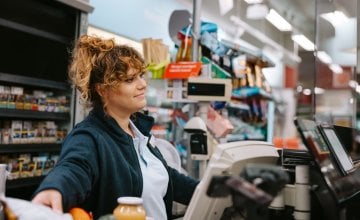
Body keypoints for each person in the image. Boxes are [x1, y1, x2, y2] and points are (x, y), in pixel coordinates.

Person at [31, 35, 199, 220]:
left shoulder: (139, 134)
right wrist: (55, 188)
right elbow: (74, 167)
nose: (142, 84)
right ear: (103, 90)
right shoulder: (89, 136)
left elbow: (167, 178)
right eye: (130, 79)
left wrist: (211, 190)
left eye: (141, 76)